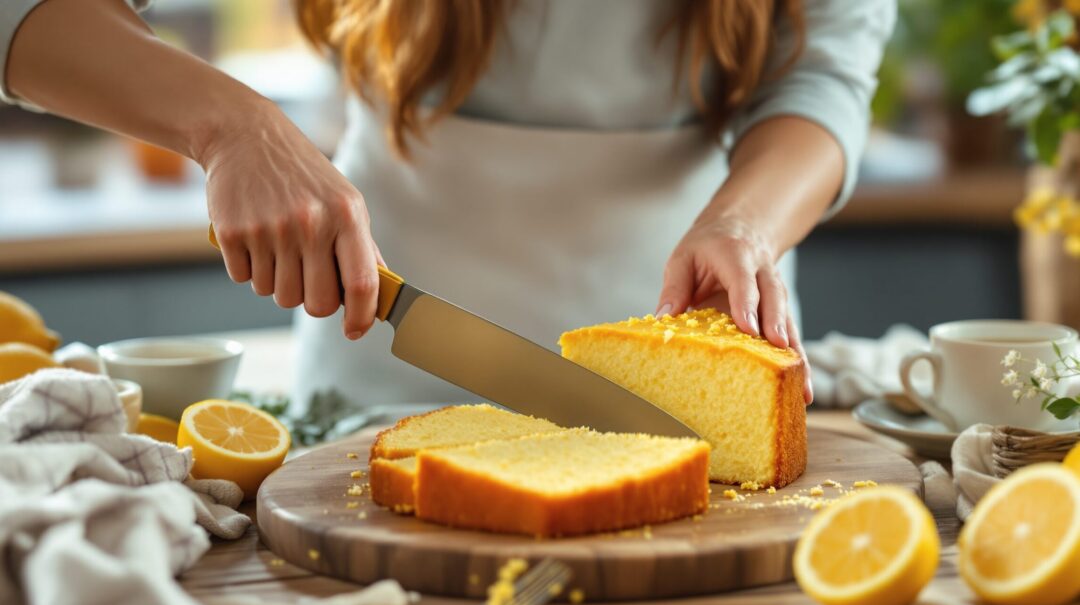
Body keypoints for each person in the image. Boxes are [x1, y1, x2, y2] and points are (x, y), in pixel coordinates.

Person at [2, 0, 894, 410]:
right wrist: (233, 127)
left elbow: (821, 83)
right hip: (375, 399)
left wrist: (741, 225)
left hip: (700, 404)